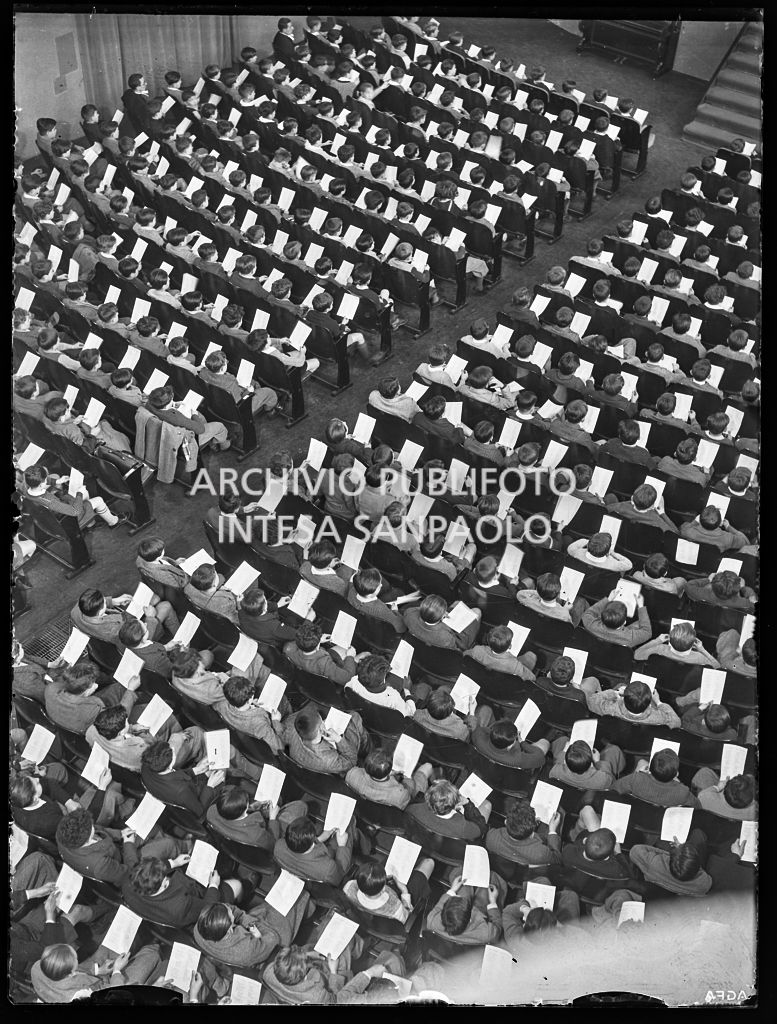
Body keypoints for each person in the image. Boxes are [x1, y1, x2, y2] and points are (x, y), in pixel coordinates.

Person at [55, 805, 190, 888]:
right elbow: (130, 873)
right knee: (168, 844)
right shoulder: (100, 866)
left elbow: (101, 830)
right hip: (127, 866)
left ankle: (168, 850)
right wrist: (128, 843)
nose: (93, 826)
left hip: (117, 848)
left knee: (151, 828)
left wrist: (121, 834)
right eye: (91, 827)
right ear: (86, 839)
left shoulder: (63, 834)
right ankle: (187, 848)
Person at [194, 891, 311, 969]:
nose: (230, 908)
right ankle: (309, 906)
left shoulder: (199, 929)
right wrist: (256, 932)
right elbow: (273, 939)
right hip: (269, 942)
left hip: (253, 932)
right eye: (230, 914)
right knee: (294, 903)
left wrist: (249, 923)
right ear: (229, 929)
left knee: (274, 904)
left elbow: (233, 910)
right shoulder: (247, 949)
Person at [122, 853, 242, 928]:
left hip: (159, 911)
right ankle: (244, 894)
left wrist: (174, 863)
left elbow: (146, 873)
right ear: (164, 883)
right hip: (201, 902)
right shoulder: (180, 906)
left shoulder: (128, 883)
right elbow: (208, 908)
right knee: (237, 885)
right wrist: (214, 885)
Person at [31, 939, 163, 1003]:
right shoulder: (80, 997)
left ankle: (139, 939)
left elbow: (76, 970)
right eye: (76, 959)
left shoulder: (38, 966)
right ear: (71, 973)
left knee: (111, 944)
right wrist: (116, 971)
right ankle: (156, 947)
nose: (78, 960)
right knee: (151, 955)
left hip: (91, 981)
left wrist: (98, 970)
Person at [425, 870, 505, 946]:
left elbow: (439, 907)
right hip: (481, 913)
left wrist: (452, 890)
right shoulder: (488, 934)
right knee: (491, 878)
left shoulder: (432, 921)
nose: (457, 895)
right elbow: (497, 924)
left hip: (466, 921)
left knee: (461, 875)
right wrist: (493, 902)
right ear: (470, 917)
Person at [343, 858, 434, 923]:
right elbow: (408, 917)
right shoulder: (396, 908)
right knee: (428, 863)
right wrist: (404, 891)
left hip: (370, 920)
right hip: (399, 906)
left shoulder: (349, 887)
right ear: (383, 888)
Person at [282, 704, 367, 774]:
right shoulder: (327, 760)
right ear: (321, 729)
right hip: (335, 761)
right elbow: (351, 762)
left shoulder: (291, 725)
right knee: (354, 717)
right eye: (322, 721)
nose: (323, 721)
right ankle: (366, 751)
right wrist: (338, 739)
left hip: (305, 762)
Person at [273, 815, 354, 884]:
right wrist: (342, 846)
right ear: (312, 844)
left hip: (306, 872)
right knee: (350, 823)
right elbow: (340, 874)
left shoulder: (278, 846)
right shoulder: (328, 869)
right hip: (325, 874)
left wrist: (320, 839)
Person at [345, 748, 434, 810]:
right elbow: (409, 794)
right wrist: (407, 779)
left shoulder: (352, 774)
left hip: (368, 808)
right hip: (405, 793)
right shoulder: (400, 795)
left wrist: (390, 775)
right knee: (428, 767)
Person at [487, 799, 564, 867]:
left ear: (506, 822)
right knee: (560, 810)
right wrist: (552, 830)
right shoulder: (541, 853)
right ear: (532, 834)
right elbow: (557, 858)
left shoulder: (491, 837)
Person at [628, 834, 712, 897]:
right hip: (679, 891)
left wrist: (670, 852)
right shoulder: (703, 883)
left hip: (658, 881)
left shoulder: (653, 863)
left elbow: (634, 850)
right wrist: (680, 850)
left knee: (661, 841)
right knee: (698, 834)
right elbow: (701, 872)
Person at [406, 779, 488, 842]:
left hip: (426, 843)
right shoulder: (462, 827)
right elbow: (480, 828)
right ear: (456, 804)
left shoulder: (413, 808)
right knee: (487, 804)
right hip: (453, 849)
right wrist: (467, 804)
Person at [612, 749, 697, 807]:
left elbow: (613, 789)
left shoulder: (636, 779)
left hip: (638, 813)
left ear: (650, 768)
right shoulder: (682, 792)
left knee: (642, 762)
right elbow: (697, 808)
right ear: (676, 774)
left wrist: (642, 774)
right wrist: (678, 782)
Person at [585, 679, 681, 729]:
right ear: (649, 704)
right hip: (643, 737)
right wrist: (659, 702)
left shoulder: (610, 708)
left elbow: (591, 701)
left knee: (621, 685)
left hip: (617, 731)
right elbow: (677, 723)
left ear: (624, 698)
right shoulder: (659, 717)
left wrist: (615, 693)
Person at [403, 594, 482, 651]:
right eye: (444, 612)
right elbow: (461, 647)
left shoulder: (409, 613)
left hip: (424, 633)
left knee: (457, 602)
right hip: (454, 636)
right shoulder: (445, 637)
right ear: (442, 617)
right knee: (477, 611)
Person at [549, 737, 625, 791]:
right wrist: (598, 762)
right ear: (591, 763)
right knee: (614, 749)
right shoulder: (603, 780)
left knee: (563, 740)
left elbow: (557, 763)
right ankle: (610, 746)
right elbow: (611, 780)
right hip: (594, 785)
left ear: (566, 762)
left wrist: (564, 751)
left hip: (570, 787)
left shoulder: (555, 772)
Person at [472, 717, 548, 771]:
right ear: (510, 746)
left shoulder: (478, 739)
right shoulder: (518, 759)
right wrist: (522, 743)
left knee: (486, 709)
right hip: (509, 772)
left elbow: (483, 730)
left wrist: (498, 734)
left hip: (486, 767)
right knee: (545, 743)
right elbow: (540, 757)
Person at [634, 621, 720, 668]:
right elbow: (718, 667)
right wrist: (702, 650)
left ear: (670, 639)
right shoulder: (700, 657)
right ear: (693, 644)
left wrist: (657, 641)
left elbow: (636, 654)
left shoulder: (659, 648)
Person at [581, 592, 653, 648]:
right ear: (624, 622)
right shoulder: (631, 638)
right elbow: (647, 632)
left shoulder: (591, 625)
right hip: (621, 643)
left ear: (602, 617)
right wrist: (641, 606)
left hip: (600, 647)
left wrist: (608, 599)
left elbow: (588, 613)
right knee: (641, 622)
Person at [467, 625, 538, 681]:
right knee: (531, 656)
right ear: (510, 646)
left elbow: (465, 655)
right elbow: (532, 678)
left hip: (485, 677)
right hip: (505, 679)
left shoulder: (477, 650)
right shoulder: (515, 665)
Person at [516, 572, 587, 626]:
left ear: (537, 590)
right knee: (582, 601)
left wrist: (540, 592)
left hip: (537, 623)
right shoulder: (564, 613)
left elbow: (520, 594)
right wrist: (566, 609)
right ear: (559, 594)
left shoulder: (528, 601)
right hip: (555, 625)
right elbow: (569, 626)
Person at [692, 770, 756, 820]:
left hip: (713, 811)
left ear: (725, 787)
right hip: (735, 820)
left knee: (703, 773)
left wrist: (718, 787)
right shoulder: (754, 813)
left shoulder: (704, 798)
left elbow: (702, 795)